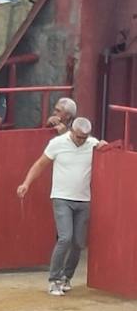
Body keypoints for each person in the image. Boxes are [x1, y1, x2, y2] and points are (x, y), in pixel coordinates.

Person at [18, 117, 106, 295]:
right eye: (78, 137)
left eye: (84, 137)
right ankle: (54, 279)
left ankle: (66, 277)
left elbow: (109, 153)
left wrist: (105, 145)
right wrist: (26, 183)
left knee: (78, 242)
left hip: (83, 199)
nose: (81, 140)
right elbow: (40, 164)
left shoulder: (92, 144)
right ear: (71, 132)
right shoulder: (57, 143)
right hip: (61, 197)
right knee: (65, 237)